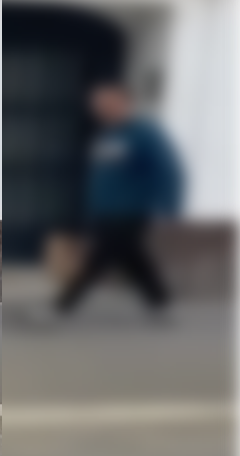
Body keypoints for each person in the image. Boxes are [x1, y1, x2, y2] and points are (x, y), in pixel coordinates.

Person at [56, 81, 181, 313]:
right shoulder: (105, 136)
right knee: (131, 258)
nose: (100, 111)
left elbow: (166, 170)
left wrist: (169, 207)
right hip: (105, 209)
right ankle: (161, 302)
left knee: (100, 258)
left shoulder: (143, 134)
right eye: (97, 106)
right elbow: (101, 176)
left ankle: (63, 306)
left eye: (106, 105)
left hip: (129, 209)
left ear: (123, 103)